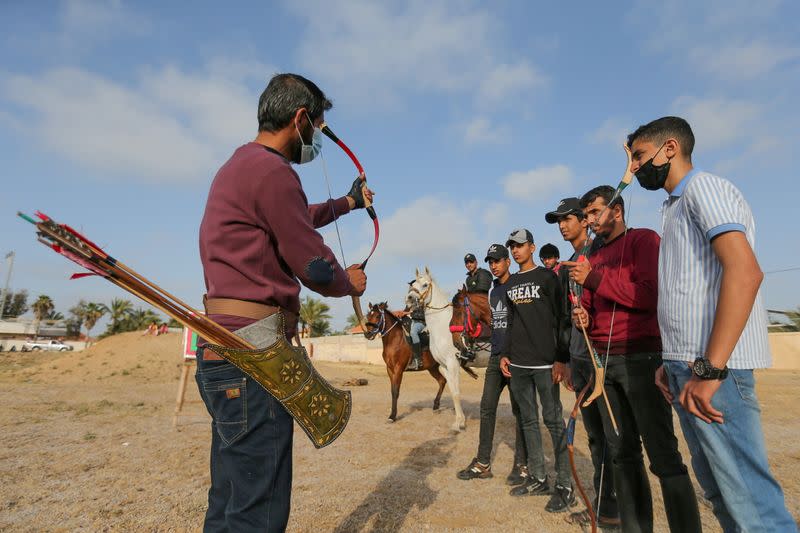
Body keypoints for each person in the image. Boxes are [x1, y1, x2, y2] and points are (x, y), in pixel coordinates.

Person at [197, 73, 368, 532]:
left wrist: (348, 204)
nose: (315, 139)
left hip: (224, 352)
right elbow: (313, 265)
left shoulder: (241, 166)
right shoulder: (274, 171)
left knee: (231, 501)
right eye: (317, 126)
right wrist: (349, 282)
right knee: (258, 515)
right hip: (255, 358)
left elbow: (294, 217)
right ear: (300, 119)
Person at [628, 116, 796, 533]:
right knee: (722, 493)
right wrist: (672, 361)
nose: (633, 168)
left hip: (716, 372)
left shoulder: (705, 188)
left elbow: (744, 272)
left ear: (670, 148)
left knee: (751, 503)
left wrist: (710, 369)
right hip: (690, 366)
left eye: (638, 156)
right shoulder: (673, 207)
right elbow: (690, 289)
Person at [564, 186, 701, 532]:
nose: (589, 221)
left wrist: (593, 279)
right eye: (587, 215)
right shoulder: (591, 257)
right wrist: (583, 317)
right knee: (622, 455)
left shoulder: (644, 241)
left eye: (594, 212)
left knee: (663, 456)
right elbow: (592, 310)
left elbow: (649, 294)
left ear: (618, 210)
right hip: (605, 365)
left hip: (642, 357)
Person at [545, 197, 619, 527]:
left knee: (612, 436)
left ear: (584, 221)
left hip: (602, 357)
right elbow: (564, 316)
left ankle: (615, 508)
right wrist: (566, 360)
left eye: (567, 218)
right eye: (557, 220)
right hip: (580, 359)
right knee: (595, 437)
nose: (562, 225)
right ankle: (603, 507)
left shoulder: (599, 253)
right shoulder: (568, 263)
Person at [498, 229, 574, 513]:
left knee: (554, 420)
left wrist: (561, 357)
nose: (515, 250)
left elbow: (562, 317)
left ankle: (565, 484)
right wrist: (505, 354)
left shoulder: (546, 277)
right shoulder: (511, 282)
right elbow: (512, 321)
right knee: (528, 420)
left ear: (532, 247)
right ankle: (539, 477)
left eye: (520, 246)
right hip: (518, 363)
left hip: (545, 363)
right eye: (512, 247)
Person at [457, 243, 527, 485]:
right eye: (491, 262)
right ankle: (483, 463)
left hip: (517, 357)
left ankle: (523, 465)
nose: (494, 265)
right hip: (497, 356)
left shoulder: (517, 285)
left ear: (508, 261)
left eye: (497, 260)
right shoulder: (494, 291)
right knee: (486, 407)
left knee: (520, 411)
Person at [404, 280, 427, 370]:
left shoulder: (422, 298)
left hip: (421, 322)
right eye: (409, 286)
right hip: (413, 321)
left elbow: (422, 312)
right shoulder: (410, 299)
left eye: (411, 286)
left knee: (413, 333)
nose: (410, 288)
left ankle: (418, 360)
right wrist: (401, 314)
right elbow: (406, 310)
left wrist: (411, 311)